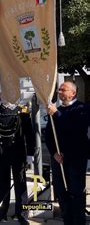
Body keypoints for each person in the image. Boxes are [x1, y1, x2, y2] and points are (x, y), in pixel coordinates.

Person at [45, 81, 89, 225]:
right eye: (59, 90)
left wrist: (57, 114)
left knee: (76, 193)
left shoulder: (82, 108)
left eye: (63, 90)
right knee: (62, 193)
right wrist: (54, 153)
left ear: (73, 93)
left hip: (76, 159)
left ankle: (79, 222)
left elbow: (75, 129)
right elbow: (49, 136)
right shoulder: (56, 111)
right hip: (59, 160)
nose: (59, 92)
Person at [0, 101, 34, 225]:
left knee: (20, 185)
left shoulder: (22, 111)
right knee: (2, 185)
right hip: (1, 153)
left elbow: (29, 134)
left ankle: (22, 215)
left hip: (18, 153)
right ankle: (1, 214)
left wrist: (30, 154)